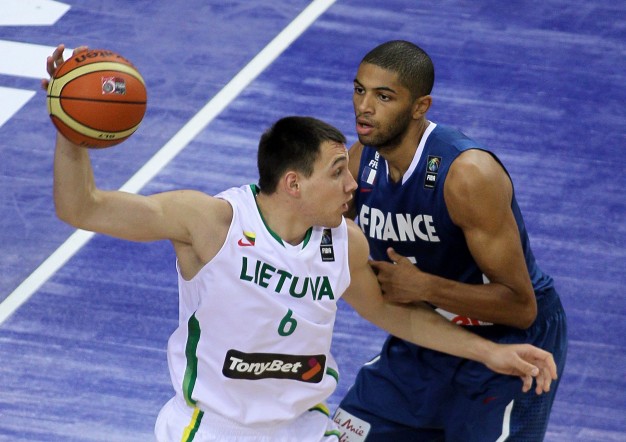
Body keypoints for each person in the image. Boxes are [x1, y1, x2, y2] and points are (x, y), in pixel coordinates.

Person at [45, 45, 557, 442]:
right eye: (337, 173)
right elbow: (82, 208)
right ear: (294, 183)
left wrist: (490, 354)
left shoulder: (345, 242)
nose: (354, 183)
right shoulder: (211, 222)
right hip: (217, 428)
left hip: (305, 427)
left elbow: (392, 314)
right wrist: (71, 130)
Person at [334, 40, 569, 441]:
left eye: (383, 96)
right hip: (427, 333)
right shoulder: (361, 161)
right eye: (359, 90)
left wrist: (424, 287)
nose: (364, 107)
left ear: (420, 106)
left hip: (510, 340)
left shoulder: (468, 175)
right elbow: (320, 237)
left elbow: (521, 307)